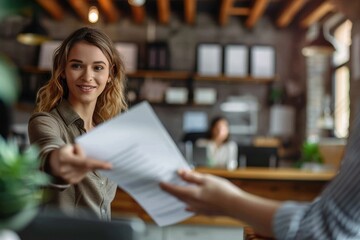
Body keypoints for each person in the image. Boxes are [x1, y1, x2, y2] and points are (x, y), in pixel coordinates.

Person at [161, 106, 360, 239]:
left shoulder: (231, 146)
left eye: (224, 128)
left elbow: (323, 228)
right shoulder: (202, 143)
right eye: (218, 128)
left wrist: (226, 201)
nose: (221, 131)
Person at [28, 27, 128, 221]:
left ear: (110, 74)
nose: (87, 77)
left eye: (98, 67)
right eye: (77, 66)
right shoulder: (45, 121)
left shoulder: (110, 132)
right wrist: (58, 162)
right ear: (63, 71)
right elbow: (49, 151)